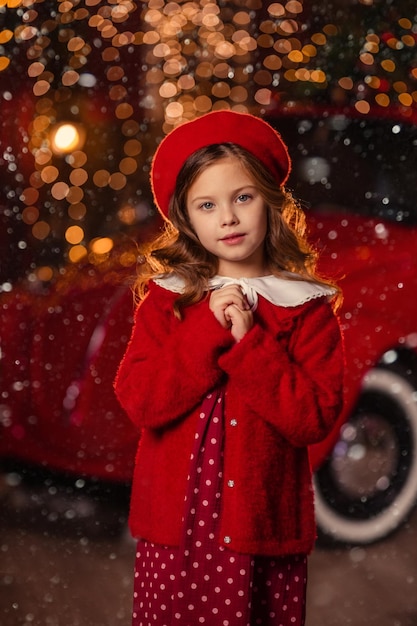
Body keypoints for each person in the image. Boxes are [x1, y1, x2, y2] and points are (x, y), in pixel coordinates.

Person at [114, 110, 344, 626]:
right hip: (175, 529)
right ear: (187, 219)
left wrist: (249, 345)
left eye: (243, 197)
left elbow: (311, 418)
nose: (228, 218)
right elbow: (142, 402)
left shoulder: (305, 307)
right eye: (207, 205)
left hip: (261, 530)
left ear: (271, 201)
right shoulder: (168, 301)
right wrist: (205, 332)